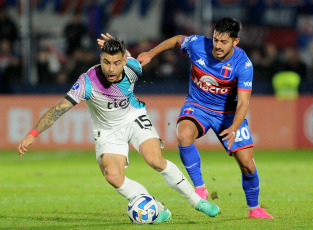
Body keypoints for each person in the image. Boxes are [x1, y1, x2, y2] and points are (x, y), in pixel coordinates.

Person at [17, 38, 220, 223]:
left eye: (116, 62)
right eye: (106, 62)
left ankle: (197, 202)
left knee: (155, 160)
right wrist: (32, 134)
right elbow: (58, 109)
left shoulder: (133, 68)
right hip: (107, 131)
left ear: (124, 61)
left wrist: (122, 47)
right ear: (100, 59)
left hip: (135, 118)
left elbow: (134, 59)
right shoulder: (87, 82)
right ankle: (156, 208)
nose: (111, 69)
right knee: (112, 176)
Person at [137, 17, 274, 219]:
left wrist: (234, 127)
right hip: (197, 106)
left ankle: (254, 209)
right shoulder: (198, 44)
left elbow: (243, 103)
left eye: (223, 42)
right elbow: (177, 40)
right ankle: (200, 187)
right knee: (183, 135)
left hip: (227, 114)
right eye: (216, 39)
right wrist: (151, 53)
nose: (217, 46)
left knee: (247, 164)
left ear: (235, 42)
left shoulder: (243, 64)